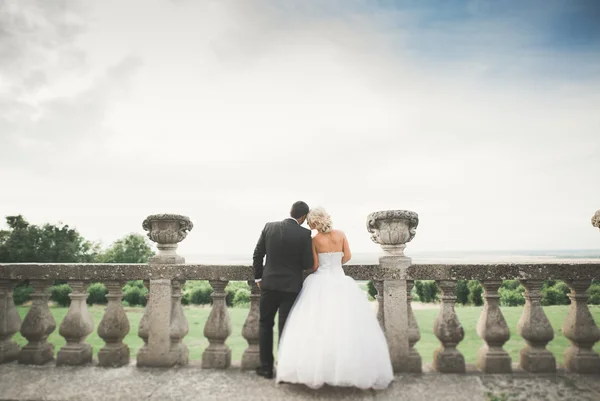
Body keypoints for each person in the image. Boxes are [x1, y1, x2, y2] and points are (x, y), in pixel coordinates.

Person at [275, 207, 394, 390]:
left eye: (310, 222)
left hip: (320, 282)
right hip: (340, 279)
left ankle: (320, 370)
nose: (308, 224)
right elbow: (348, 256)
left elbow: (314, 265)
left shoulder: (314, 240)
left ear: (315, 222)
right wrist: (336, 265)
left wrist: (320, 267)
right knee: (346, 326)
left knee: (318, 326)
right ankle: (346, 370)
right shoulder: (341, 234)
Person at [252, 201, 314, 379]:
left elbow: (257, 254)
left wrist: (258, 278)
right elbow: (307, 264)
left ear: (290, 211)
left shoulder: (269, 227)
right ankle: (285, 369)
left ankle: (265, 368)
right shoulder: (304, 233)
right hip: (291, 287)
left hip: (268, 285)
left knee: (265, 325)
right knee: (286, 328)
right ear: (302, 217)